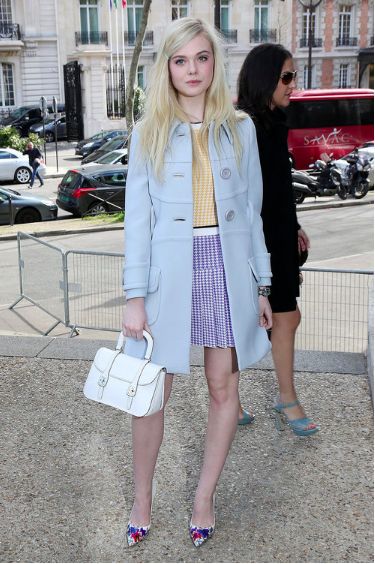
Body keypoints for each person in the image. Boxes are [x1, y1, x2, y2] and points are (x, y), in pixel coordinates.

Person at [122, 17, 272, 548]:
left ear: (215, 63)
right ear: (167, 66)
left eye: (201, 58)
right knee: (150, 394)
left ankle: (204, 497)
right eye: (180, 59)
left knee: (222, 386)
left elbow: (253, 215)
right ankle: (143, 496)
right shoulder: (149, 132)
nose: (192, 69)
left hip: (226, 268)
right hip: (169, 273)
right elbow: (137, 221)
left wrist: (262, 284)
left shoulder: (242, 128)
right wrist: (134, 297)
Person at [237, 43, 319, 436]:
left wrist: (295, 224)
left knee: (281, 317)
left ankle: (241, 399)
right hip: (257, 242)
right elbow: (242, 195)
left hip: (279, 236)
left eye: (293, 76)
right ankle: (284, 399)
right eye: (286, 77)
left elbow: (277, 187)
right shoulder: (244, 126)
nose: (292, 84)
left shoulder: (274, 121)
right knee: (269, 318)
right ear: (265, 77)